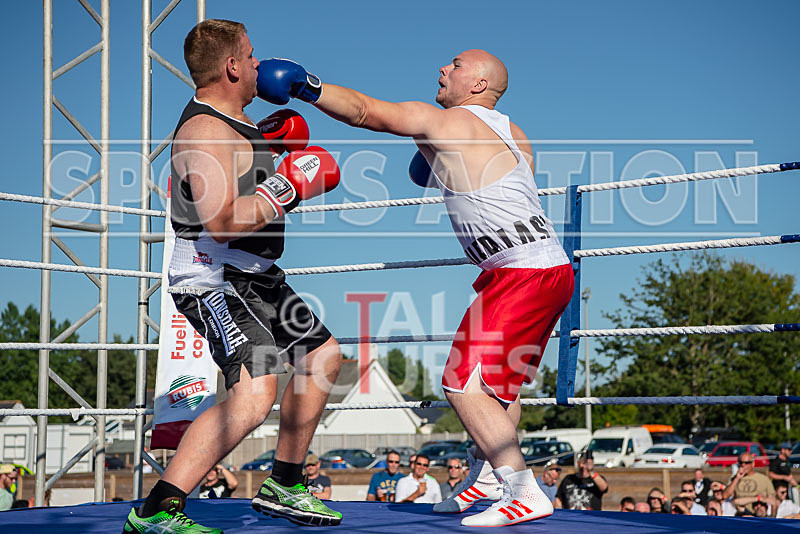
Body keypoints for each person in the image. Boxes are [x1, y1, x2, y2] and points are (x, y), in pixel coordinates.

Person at [256, 47, 572, 528]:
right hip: (545, 269)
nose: (443, 69)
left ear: (479, 85)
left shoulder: (444, 121)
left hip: (521, 272)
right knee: (499, 385)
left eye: (457, 66)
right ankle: (488, 476)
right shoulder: (514, 133)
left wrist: (307, 86)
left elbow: (367, 112)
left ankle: (524, 489)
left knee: (462, 383)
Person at [122, 20, 344, 533]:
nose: (259, 64)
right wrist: (289, 183)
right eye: (251, 55)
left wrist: (273, 151)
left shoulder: (241, 126)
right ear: (231, 66)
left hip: (258, 276)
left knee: (322, 357)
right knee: (255, 388)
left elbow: (245, 185)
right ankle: (156, 512)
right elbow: (221, 220)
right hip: (215, 277)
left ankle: (285, 485)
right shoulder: (203, 131)